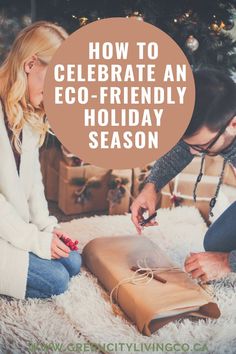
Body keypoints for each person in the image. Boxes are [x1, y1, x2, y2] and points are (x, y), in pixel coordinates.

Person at [0, 21, 82, 300]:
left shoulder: (28, 108)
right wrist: (35, 241)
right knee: (56, 280)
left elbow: (33, 181)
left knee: (73, 262)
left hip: (11, 226)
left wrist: (47, 228)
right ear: (30, 64)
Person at [131, 68, 236, 282]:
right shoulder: (219, 116)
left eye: (203, 146)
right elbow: (183, 148)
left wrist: (227, 262)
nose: (193, 153)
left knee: (221, 254)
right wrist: (152, 186)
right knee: (215, 243)